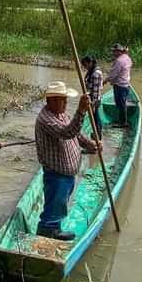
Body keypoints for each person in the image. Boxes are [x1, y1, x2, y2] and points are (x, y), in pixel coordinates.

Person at [34, 81, 98, 241]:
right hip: (56, 173)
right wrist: (82, 110)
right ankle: (48, 230)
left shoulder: (61, 113)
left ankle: (54, 227)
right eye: (64, 99)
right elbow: (68, 132)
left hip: (67, 173)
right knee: (56, 202)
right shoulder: (45, 119)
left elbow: (76, 133)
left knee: (60, 203)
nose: (66, 102)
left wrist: (90, 144)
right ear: (53, 100)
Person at [104, 43, 133, 128]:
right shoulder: (127, 58)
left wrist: (104, 81)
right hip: (126, 85)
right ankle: (123, 120)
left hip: (120, 86)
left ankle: (123, 122)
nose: (113, 53)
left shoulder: (119, 61)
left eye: (114, 51)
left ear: (119, 52)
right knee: (122, 104)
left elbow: (112, 75)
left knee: (120, 104)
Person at [81, 55, 104, 140]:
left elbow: (95, 91)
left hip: (94, 100)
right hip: (93, 98)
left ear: (90, 63)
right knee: (95, 118)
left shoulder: (95, 73)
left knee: (96, 119)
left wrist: (92, 103)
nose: (85, 67)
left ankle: (97, 137)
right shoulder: (91, 71)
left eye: (85, 65)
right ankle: (96, 134)